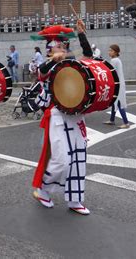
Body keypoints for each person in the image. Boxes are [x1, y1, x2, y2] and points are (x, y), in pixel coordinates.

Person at [32, 20, 93, 215]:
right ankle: (43, 189)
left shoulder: (72, 63)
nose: (62, 48)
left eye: (63, 45)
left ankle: (75, 200)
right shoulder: (48, 66)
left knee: (78, 159)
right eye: (58, 46)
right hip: (58, 116)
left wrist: (81, 34)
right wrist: (52, 59)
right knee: (62, 160)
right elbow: (41, 74)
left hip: (76, 115)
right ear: (50, 49)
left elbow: (89, 58)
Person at [103, 44, 130, 128]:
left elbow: (110, 72)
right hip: (119, 84)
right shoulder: (116, 60)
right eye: (109, 50)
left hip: (118, 85)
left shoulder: (115, 60)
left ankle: (126, 123)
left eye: (111, 50)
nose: (109, 52)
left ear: (115, 52)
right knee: (114, 102)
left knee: (118, 103)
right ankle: (112, 120)